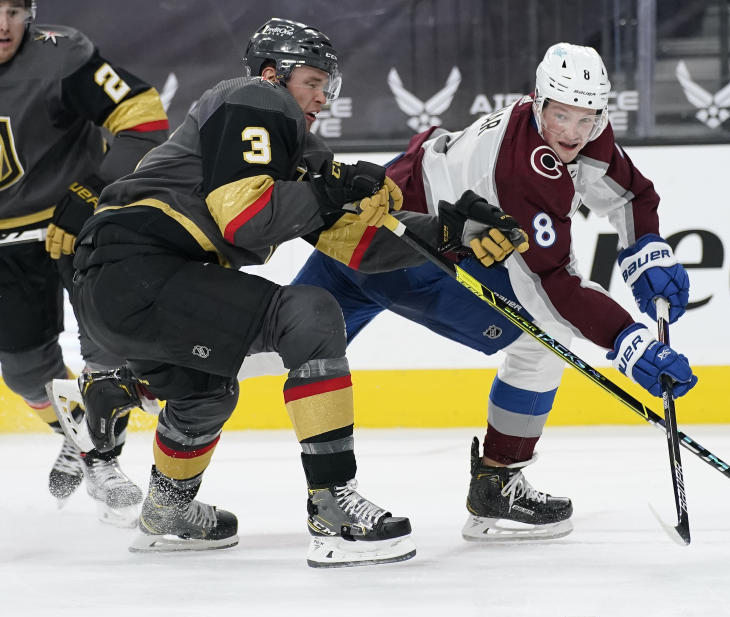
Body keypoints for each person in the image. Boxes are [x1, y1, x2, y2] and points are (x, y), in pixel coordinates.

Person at [64, 18, 527, 567]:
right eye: (312, 81)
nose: (322, 98)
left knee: (205, 393)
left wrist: (451, 235)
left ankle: (167, 509)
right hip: (138, 264)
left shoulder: (291, 143)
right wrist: (332, 187)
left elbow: (357, 247)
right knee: (307, 312)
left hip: (123, 283)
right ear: (272, 73)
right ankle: (332, 508)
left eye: (327, 85)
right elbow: (245, 217)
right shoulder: (255, 98)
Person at [290, 43, 697, 541]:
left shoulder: (574, 130)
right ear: (539, 100)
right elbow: (551, 289)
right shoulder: (523, 168)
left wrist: (647, 251)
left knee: (277, 338)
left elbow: (630, 193)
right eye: (561, 115)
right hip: (407, 254)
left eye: (586, 118)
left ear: (601, 112)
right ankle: (498, 481)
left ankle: (170, 383)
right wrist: (628, 341)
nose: (572, 132)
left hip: (368, 229)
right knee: (541, 336)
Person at [0, 0, 168, 526]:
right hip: (6, 244)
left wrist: (91, 192)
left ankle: (102, 456)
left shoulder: (61, 56)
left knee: (108, 348)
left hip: (75, 227)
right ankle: (79, 433)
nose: (3, 25)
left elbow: (145, 118)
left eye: (12, 10)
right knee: (25, 371)